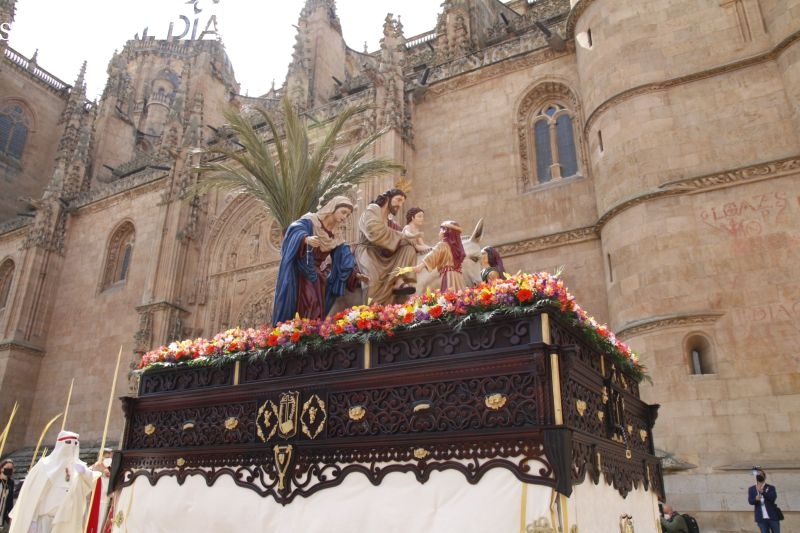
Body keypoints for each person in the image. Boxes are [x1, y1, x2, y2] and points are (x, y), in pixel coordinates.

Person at [272, 196, 363, 325]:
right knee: (309, 302)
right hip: (301, 272)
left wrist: (355, 273)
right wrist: (305, 239)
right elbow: (294, 230)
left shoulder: (336, 235)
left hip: (316, 277)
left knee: (316, 307)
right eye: (343, 212)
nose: (344, 217)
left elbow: (344, 255)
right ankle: (298, 332)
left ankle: (308, 333)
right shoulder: (311, 221)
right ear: (333, 208)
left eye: (347, 215)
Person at [9, 430, 99, 533]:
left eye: (75, 443)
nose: (72, 446)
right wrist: (32, 520)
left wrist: (84, 473)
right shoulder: (45, 466)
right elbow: (33, 495)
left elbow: (89, 484)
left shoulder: (79, 467)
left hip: (66, 523)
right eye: (68, 442)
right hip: (44, 521)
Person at [355, 188, 419, 305]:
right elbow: (373, 231)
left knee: (408, 249)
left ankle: (398, 280)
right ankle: (372, 311)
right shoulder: (373, 209)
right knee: (373, 280)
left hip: (384, 254)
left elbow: (401, 238)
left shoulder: (391, 222)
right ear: (388, 198)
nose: (400, 205)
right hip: (369, 251)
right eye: (398, 200)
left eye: (402, 202)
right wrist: (401, 236)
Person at [412, 221, 467, 293]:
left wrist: (420, 266)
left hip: (448, 277)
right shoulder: (458, 249)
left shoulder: (442, 245)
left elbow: (432, 255)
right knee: (459, 295)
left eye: (440, 230)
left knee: (448, 296)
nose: (439, 233)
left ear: (446, 232)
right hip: (458, 277)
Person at [748, 468, 781, 533]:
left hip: (772, 517)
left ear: (765, 477)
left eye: (761, 474)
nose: (760, 475)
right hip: (761, 518)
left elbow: (772, 498)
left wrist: (763, 492)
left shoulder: (771, 487)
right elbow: (750, 501)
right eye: (758, 474)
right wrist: (755, 499)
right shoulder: (752, 489)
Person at [0, 460, 14, 531]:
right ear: (2, 468)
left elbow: (10, 501)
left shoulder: (11, 483)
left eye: (11, 468)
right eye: (7, 467)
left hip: (3, 515)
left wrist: (11, 516)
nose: (9, 469)